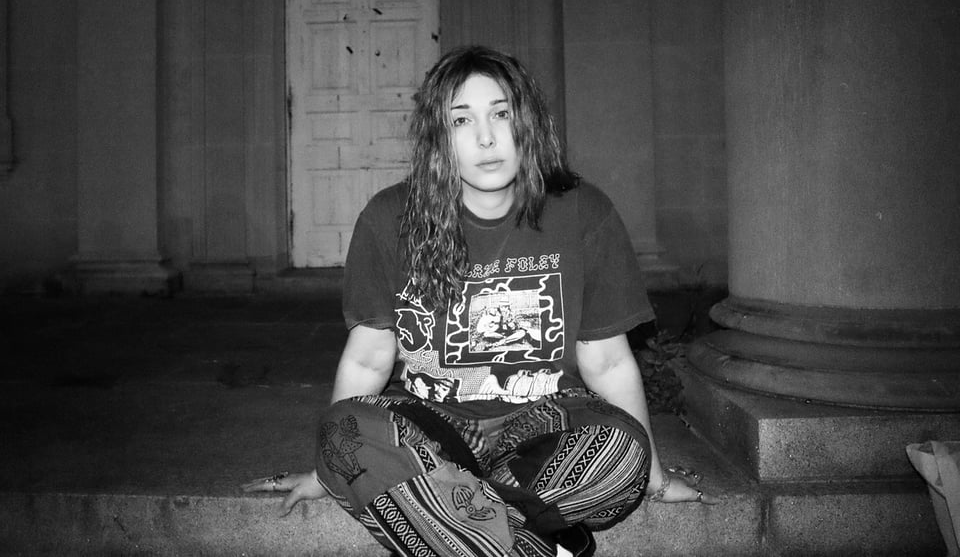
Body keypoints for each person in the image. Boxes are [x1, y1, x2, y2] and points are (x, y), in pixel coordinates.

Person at [243, 46, 714, 557]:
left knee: (622, 454)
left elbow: (606, 358)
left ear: (526, 122)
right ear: (437, 137)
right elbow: (368, 356)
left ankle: (456, 517)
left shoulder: (582, 212)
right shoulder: (389, 218)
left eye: (501, 114)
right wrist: (330, 467)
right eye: (461, 120)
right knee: (346, 433)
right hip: (434, 428)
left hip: (545, 424)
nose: (486, 138)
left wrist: (654, 479)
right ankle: (539, 541)